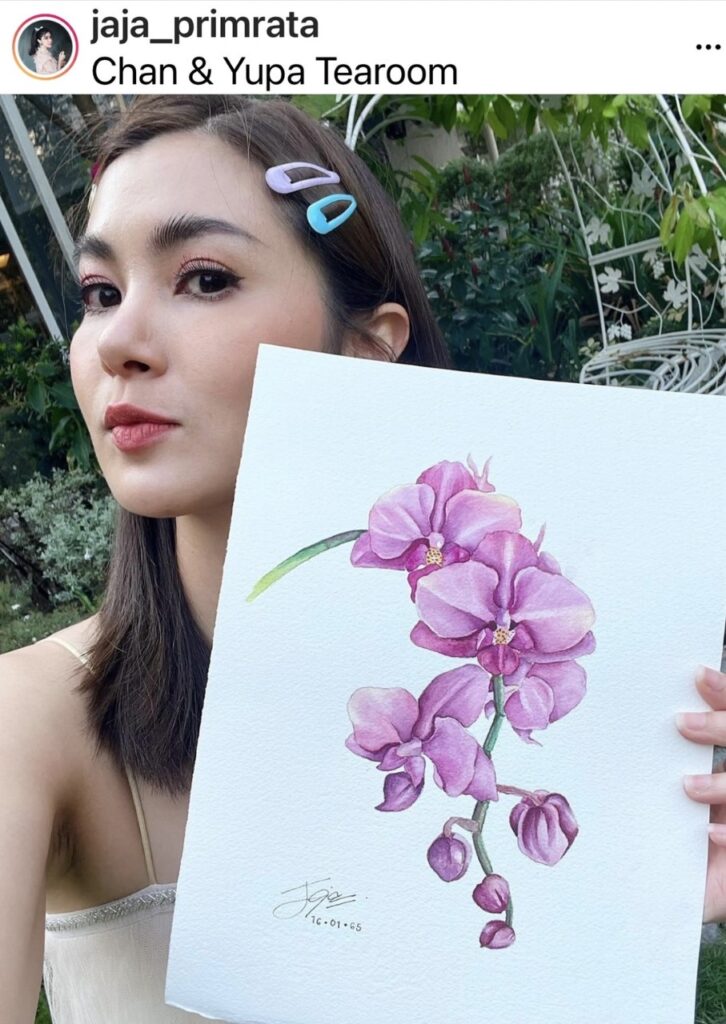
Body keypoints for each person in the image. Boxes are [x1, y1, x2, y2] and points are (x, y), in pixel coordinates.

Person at [0, 94, 722, 1022]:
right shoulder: (32, 725)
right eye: (101, 293)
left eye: (204, 279)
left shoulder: (484, 709)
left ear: (367, 348)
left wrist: (622, 912)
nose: (119, 345)